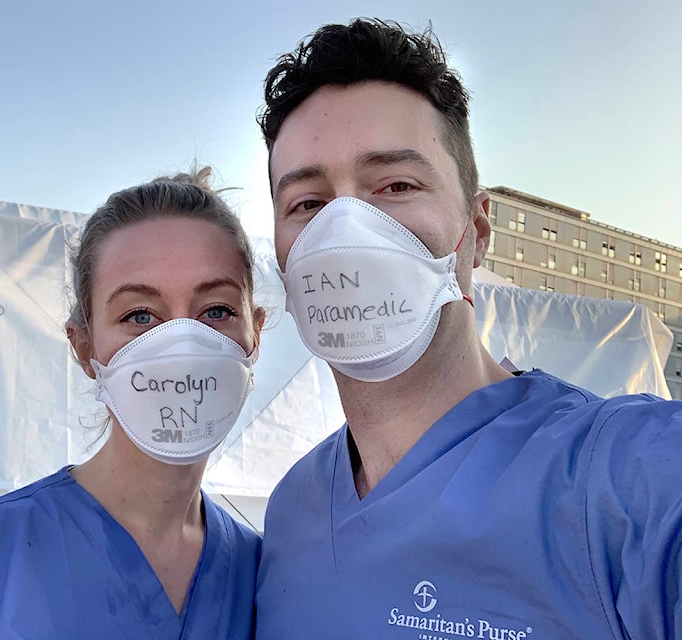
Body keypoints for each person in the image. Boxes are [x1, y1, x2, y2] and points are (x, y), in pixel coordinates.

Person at [254, 18, 681, 639]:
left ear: (475, 233)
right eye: (308, 204)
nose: (345, 233)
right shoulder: (292, 511)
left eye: (396, 186)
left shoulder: (619, 483)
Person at [0, 167, 264, 639]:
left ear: (256, 332)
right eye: (140, 315)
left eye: (217, 311)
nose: (183, 346)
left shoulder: (263, 576)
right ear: (84, 345)